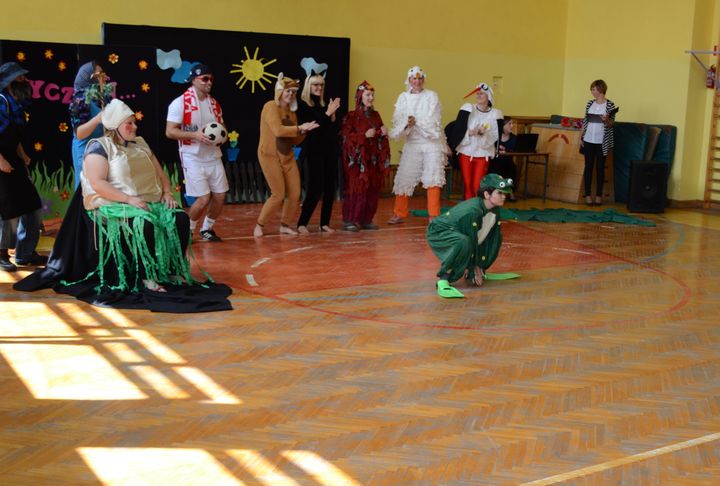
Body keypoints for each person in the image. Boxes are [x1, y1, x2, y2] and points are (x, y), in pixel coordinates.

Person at [15, 99, 232, 312]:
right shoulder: (99, 147)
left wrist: (167, 192)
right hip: (113, 203)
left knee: (180, 218)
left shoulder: (140, 143)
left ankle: (173, 271)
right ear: (114, 126)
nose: (135, 126)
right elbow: (98, 184)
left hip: (147, 200)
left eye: (134, 122)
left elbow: (160, 172)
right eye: (129, 123)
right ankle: (147, 277)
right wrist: (128, 199)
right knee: (144, 223)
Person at [166, 63, 228, 241]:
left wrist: (222, 136)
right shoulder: (179, 103)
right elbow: (170, 131)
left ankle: (207, 229)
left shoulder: (214, 104)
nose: (209, 82)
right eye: (204, 79)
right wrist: (195, 135)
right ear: (193, 80)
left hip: (213, 156)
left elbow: (222, 126)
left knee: (220, 196)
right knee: (203, 199)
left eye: (211, 79)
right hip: (192, 156)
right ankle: (188, 231)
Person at [426, 173, 513, 299]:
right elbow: (471, 239)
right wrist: (472, 266)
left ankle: (478, 269)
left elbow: (483, 236)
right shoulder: (472, 211)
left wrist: (479, 265)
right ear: (487, 194)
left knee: (495, 237)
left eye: (504, 193)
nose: (504, 196)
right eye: (499, 193)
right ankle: (444, 278)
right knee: (463, 242)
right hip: (439, 231)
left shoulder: (494, 208)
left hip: (460, 231)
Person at [254, 74, 319, 237]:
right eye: (288, 91)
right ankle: (259, 224)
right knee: (278, 194)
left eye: (294, 92)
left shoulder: (292, 113)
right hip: (269, 155)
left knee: (295, 194)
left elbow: (294, 140)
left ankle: (285, 225)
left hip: (287, 156)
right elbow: (278, 130)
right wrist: (300, 128)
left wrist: (304, 131)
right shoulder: (270, 106)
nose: (291, 94)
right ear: (280, 91)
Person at [0, 62, 46, 271]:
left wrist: (22, 154)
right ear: (9, 82)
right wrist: (1, 161)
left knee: (31, 205)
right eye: (20, 78)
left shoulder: (16, 104)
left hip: (13, 158)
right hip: (1, 160)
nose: (25, 81)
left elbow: (13, 134)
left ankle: (25, 253)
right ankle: (2, 254)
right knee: (7, 209)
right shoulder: (1, 102)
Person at [387, 66, 447, 224]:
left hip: (431, 143)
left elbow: (434, 120)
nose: (417, 81)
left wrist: (416, 122)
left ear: (424, 80)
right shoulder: (403, 97)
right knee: (404, 176)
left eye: (420, 78)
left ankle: (434, 215)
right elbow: (397, 120)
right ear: (409, 80)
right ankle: (399, 213)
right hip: (412, 143)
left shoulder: (432, 96)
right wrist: (406, 123)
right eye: (414, 78)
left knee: (433, 177)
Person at [340, 81, 391, 231]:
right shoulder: (351, 116)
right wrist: (364, 135)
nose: (371, 98)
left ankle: (366, 219)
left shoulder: (376, 115)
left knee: (371, 188)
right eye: (368, 95)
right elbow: (346, 138)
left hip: (372, 159)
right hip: (357, 161)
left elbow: (378, 134)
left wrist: (382, 133)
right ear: (360, 96)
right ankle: (350, 219)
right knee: (356, 188)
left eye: (372, 95)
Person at [295, 73, 341, 234]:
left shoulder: (325, 104)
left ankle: (324, 224)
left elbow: (331, 128)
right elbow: (314, 128)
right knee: (315, 188)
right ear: (308, 86)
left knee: (330, 188)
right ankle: (302, 223)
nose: (319, 88)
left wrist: (332, 117)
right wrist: (328, 114)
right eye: (315, 84)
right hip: (314, 151)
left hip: (329, 150)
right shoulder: (303, 105)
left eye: (321, 85)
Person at [450, 82, 501, 201]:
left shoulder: (495, 114)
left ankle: (478, 208)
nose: (478, 95)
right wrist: (470, 133)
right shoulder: (468, 108)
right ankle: (469, 209)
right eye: (477, 93)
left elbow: (495, 135)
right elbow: (459, 129)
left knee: (477, 186)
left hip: (483, 155)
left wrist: (484, 134)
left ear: (488, 97)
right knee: (468, 186)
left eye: (482, 93)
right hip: (466, 153)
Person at [69, 61, 114, 189]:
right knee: (87, 188)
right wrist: (97, 119)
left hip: (101, 148)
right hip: (85, 150)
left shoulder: (103, 97)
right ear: (88, 76)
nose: (104, 77)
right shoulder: (80, 99)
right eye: (100, 74)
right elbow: (79, 133)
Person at [580, 79, 616, 206]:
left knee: (600, 168)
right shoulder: (590, 103)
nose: (592, 91)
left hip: (602, 141)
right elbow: (585, 120)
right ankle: (588, 195)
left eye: (593, 89)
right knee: (588, 167)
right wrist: (581, 136)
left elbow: (611, 125)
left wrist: (606, 120)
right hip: (588, 139)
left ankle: (599, 195)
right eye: (592, 89)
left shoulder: (610, 105)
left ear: (601, 90)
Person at [488, 116, 518, 201]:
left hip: (508, 162)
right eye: (509, 124)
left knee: (512, 168)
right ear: (503, 126)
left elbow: (516, 150)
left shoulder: (514, 138)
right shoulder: (495, 137)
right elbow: (489, 148)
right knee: (495, 169)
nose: (512, 126)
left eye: (512, 124)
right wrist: (495, 149)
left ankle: (510, 192)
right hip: (495, 162)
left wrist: (506, 151)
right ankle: (496, 193)